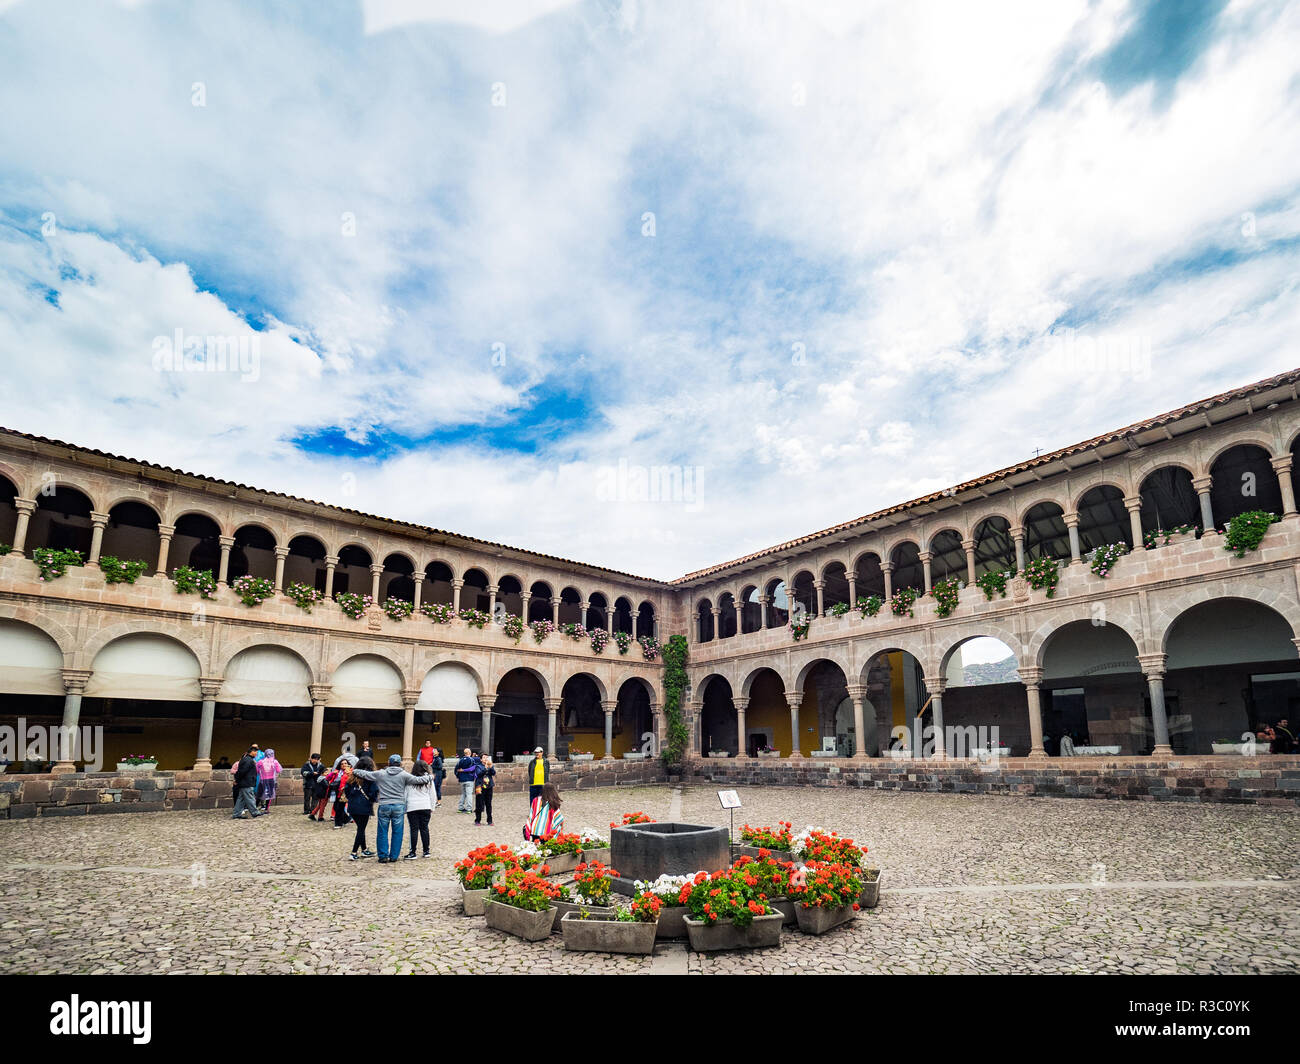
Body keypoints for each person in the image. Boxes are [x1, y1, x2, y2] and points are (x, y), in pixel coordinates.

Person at [351, 755, 435, 863]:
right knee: (397, 832)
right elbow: (418, 779)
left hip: (384, 805)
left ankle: (383, 856)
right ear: (400, 763)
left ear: (388, 762)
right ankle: (394, 856)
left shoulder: (381, 773)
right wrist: (430, 777)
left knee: (382, 831)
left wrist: (355, 770)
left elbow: (366, 774)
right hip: (398, 806)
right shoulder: (404, 775)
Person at [344, 756, 379, 860]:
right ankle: (353, 852)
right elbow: (373, 792)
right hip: (364, 806)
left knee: (360, 829)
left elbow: (346, 790)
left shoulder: (352, 777)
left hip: (352, 806)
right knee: (361, 829)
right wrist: (372, 800)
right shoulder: (369, 778)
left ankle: (364, 850)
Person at [403, 759, 434, 859]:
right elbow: (432, 794)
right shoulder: (428, 779)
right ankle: (426, 851)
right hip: (425, 806)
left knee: (414, 829)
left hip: (412, 807)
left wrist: (405, 807)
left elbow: (405, 794)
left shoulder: (409, 779)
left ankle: (412, 852)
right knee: (424, 828)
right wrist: (432, 806)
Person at [230, 745, 262, 820]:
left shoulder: (246, 759)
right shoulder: (248, 760)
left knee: (241, 799)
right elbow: (242, 772)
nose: (256, 754)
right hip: (247, 782)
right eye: (256, 752)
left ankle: (236, 813)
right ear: (252, 752)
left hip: (244, 782)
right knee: (250, 797)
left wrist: (237, 780)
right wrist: (237, 780)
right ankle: (254, 812)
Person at [256, 748, 282, 813]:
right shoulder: (275, 762)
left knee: (260, 794)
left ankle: (254, 807)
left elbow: (256, 770)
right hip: (271, 780)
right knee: (270, 794)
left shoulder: (260, 762)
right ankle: (267, 809)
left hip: (263, 779)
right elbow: (278, 770)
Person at [473, 756, 496, 827]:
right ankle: (477, 820)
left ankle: (490, 820)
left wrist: (491, 767)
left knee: (488, 804)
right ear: (481, 759)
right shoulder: (478, 766)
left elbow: (493, 773)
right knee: (479, 804)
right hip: (480, 786)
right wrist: (485, 768)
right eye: (484, 757)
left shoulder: (490, 765)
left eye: (487, 757)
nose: (485, 759)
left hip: (489, 786)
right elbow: (479, 774)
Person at [332, 760, 354, 828]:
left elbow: (352, 780)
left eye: (345, 763)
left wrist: (349, 773)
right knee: (336, 807)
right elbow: (330, 779)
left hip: (345, 792)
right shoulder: (338, 772)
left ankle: (338, 824)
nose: (344, 765)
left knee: (339, 807)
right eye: (342, 764)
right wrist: (333, 774)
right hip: (337, 791)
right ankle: (346, 819)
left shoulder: (351, 771)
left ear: (348, 764)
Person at [455, 748, 476, 814]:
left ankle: (460, 808)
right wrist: (465, 770)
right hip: (469, 779)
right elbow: (473, 768)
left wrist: (459, 776)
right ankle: (469, 809)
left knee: (463, 794)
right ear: (469, 753)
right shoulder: (471, 759)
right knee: (469, 794)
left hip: (462, 780)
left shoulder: (460, 760)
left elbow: (456, 769)